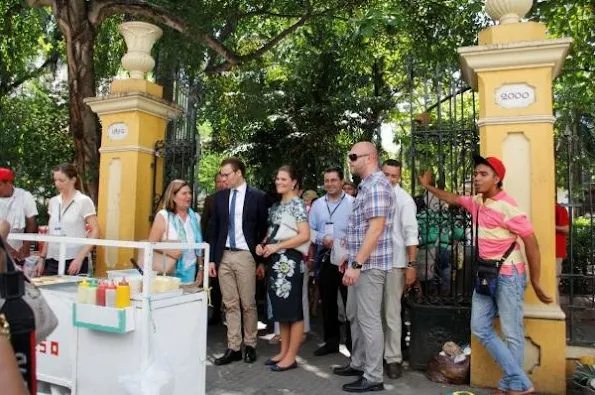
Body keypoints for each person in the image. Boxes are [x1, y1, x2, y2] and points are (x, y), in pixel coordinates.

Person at [418, 155, 552, 395]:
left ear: (497, 179)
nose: (477, 178)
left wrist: (536, 281)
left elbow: (531, 241)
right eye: (476, 174)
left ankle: (511, 385)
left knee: (512, 334)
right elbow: (452, 198)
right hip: (486, 274)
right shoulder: (477, 202)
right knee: (479, 328)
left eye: (483, 174)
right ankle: (520, 382)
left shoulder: (507, 206)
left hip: (509, 275)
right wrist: (427, 186)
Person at [333, 142, 393, 393]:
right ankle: (358, 363)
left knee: (369, 321)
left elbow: (376, 229)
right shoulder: (366, 186)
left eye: (353, 156)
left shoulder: (378, 185)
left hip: (370, 266)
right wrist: (349, 257)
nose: (350, 160)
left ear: (369, 158)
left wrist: (357, 264)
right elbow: (360, 229)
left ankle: (374, 376)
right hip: (360, 264)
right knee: (354, 316)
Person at [208, 158, 269, 365]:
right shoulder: (219, 198)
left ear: (239, 173)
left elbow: (263, 229)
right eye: (222, 175)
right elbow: (213, 229)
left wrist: (261, 261)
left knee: (248, 303)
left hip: (246, 255)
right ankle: (233, 347)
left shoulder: (258, 197)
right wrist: (211, 260)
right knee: (230, 304)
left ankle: (250, 344)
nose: (222, 178)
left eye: (226, 174)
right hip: (223, 255)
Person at [256, 165, 310, 371]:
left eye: (284, 179)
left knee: (293, 311)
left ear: (294, 182)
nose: (279, 182)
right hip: (276, 262)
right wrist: (262, 245)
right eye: (277, 178)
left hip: (291, 262)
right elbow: (273, 233)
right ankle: (284, 352)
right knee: (282, 310)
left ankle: (291, 356)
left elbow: (304, 235)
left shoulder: (297, 204)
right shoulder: (277, 206)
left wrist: (277, 246)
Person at [308, 167, 354, 356]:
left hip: (346, 258)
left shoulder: (353, 203)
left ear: (342, 181)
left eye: (333, 180)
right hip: (324, 256)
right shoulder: (317, 204)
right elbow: (308, 231)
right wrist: (321, 239)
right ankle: (331, 342)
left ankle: (353, 345)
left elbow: (360, 230)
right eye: (326, 181)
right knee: (327, 301)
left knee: (350, 302)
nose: (330, 184)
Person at [381, 159, 418, 379]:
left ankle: (393, 359)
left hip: (395, 263)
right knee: (373, 314)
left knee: (392, 313)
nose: (389, 179)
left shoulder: (404, 200)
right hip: (373, 263)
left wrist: (411, 266)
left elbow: (411, 234)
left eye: (393, 176)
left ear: (399, 177)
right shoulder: (373, 195)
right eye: (386, 174)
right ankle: (375, 356)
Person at [35, 164, 99, 276]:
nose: (57, 184)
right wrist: (42, 258)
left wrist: (80, 258)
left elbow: (95, 230)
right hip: (53, 258)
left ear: (73, 180)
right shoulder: (53, 202)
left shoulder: (83, 201)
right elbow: (50, 232)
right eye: (55, 180)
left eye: (62, 180)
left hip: (73, 258)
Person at [148, 179, 203, 284]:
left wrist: (201, 268)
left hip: (190, 272)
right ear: (173, 197)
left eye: (190, 193)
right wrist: (168, 251)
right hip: (168, 273)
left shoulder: (195, 218)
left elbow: (199, 246)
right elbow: (151, 244)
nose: (189, 197)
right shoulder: (164, 216)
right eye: (184, 193)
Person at [200, 172, 226, 325]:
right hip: (214, 245)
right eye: (219, 181)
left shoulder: (234, 199)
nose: (222, 184)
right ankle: (216, 312)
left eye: (225, 181)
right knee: (215, 281)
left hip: (230, 247)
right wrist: (203, 245)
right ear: (215, 183)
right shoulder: (211, 200)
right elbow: (204, 223)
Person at [0, 167, 38, 263]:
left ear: (9, 182)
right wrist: (7, 248)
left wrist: (26, 245)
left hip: (18, 252)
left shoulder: (24, 196)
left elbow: (31, 221)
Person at [555, 202, 569, 302]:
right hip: (548, 252)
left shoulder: (559, 208)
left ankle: (555, 310)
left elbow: (566, 229)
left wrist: (551, 227)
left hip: (556, 253)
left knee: (553, 284)